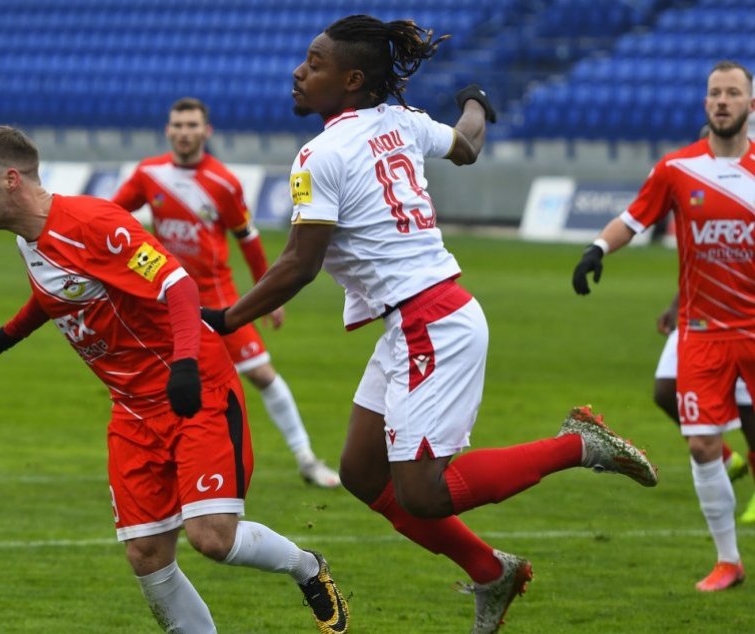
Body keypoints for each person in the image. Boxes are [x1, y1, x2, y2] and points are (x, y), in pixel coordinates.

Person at [200, 14, 658, 633]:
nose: (299, 72)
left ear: (352, 79)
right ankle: (492, 572)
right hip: (418, 319)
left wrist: (225, 318)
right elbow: (467, 145)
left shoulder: (320, 155)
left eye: (314, 63)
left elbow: (300, 264)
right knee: (362, 473)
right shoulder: (401, 123)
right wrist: (476, 102)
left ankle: (578, 444)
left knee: (424, 492)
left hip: (428, 323)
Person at [0, 126, 349, 633]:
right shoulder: (28, 240)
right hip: (132, 409)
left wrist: (185, 365)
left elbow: (178, 286)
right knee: (146, 552)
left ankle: (307, 567)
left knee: (212, 537)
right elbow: (58, 290)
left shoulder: (93, 221)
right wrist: (6, 335)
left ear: (10, 179)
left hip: (194, 389)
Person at [573, 60, 755, 591]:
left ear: (749, 105)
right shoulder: (678, 168)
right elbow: (633, 219)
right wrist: (597, 248)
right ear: (706, 104)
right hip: (702, 334)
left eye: (733, 94)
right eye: (715, 93)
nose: (722, 101)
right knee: (702, 446)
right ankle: (729, 561)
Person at [110, 97, 340, 488]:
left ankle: (306, 459)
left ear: (206, 131)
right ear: (168, 130)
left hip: (219, 304)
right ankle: (169, 466)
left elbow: (247, 240)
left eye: (192, 125)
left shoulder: (223, 182)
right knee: (164, 385)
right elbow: (111, 217)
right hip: (166, 304)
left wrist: (270, 297)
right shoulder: (149, 174)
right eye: (178, 125)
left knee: (264, 376)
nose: (184, 132)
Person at [653, 294, 755, 518]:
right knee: (665, 391)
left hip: (741, 319)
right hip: (698, 317)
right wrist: (675, 305)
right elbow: (698, 266)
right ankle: (727, 459)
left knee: (747, 408)